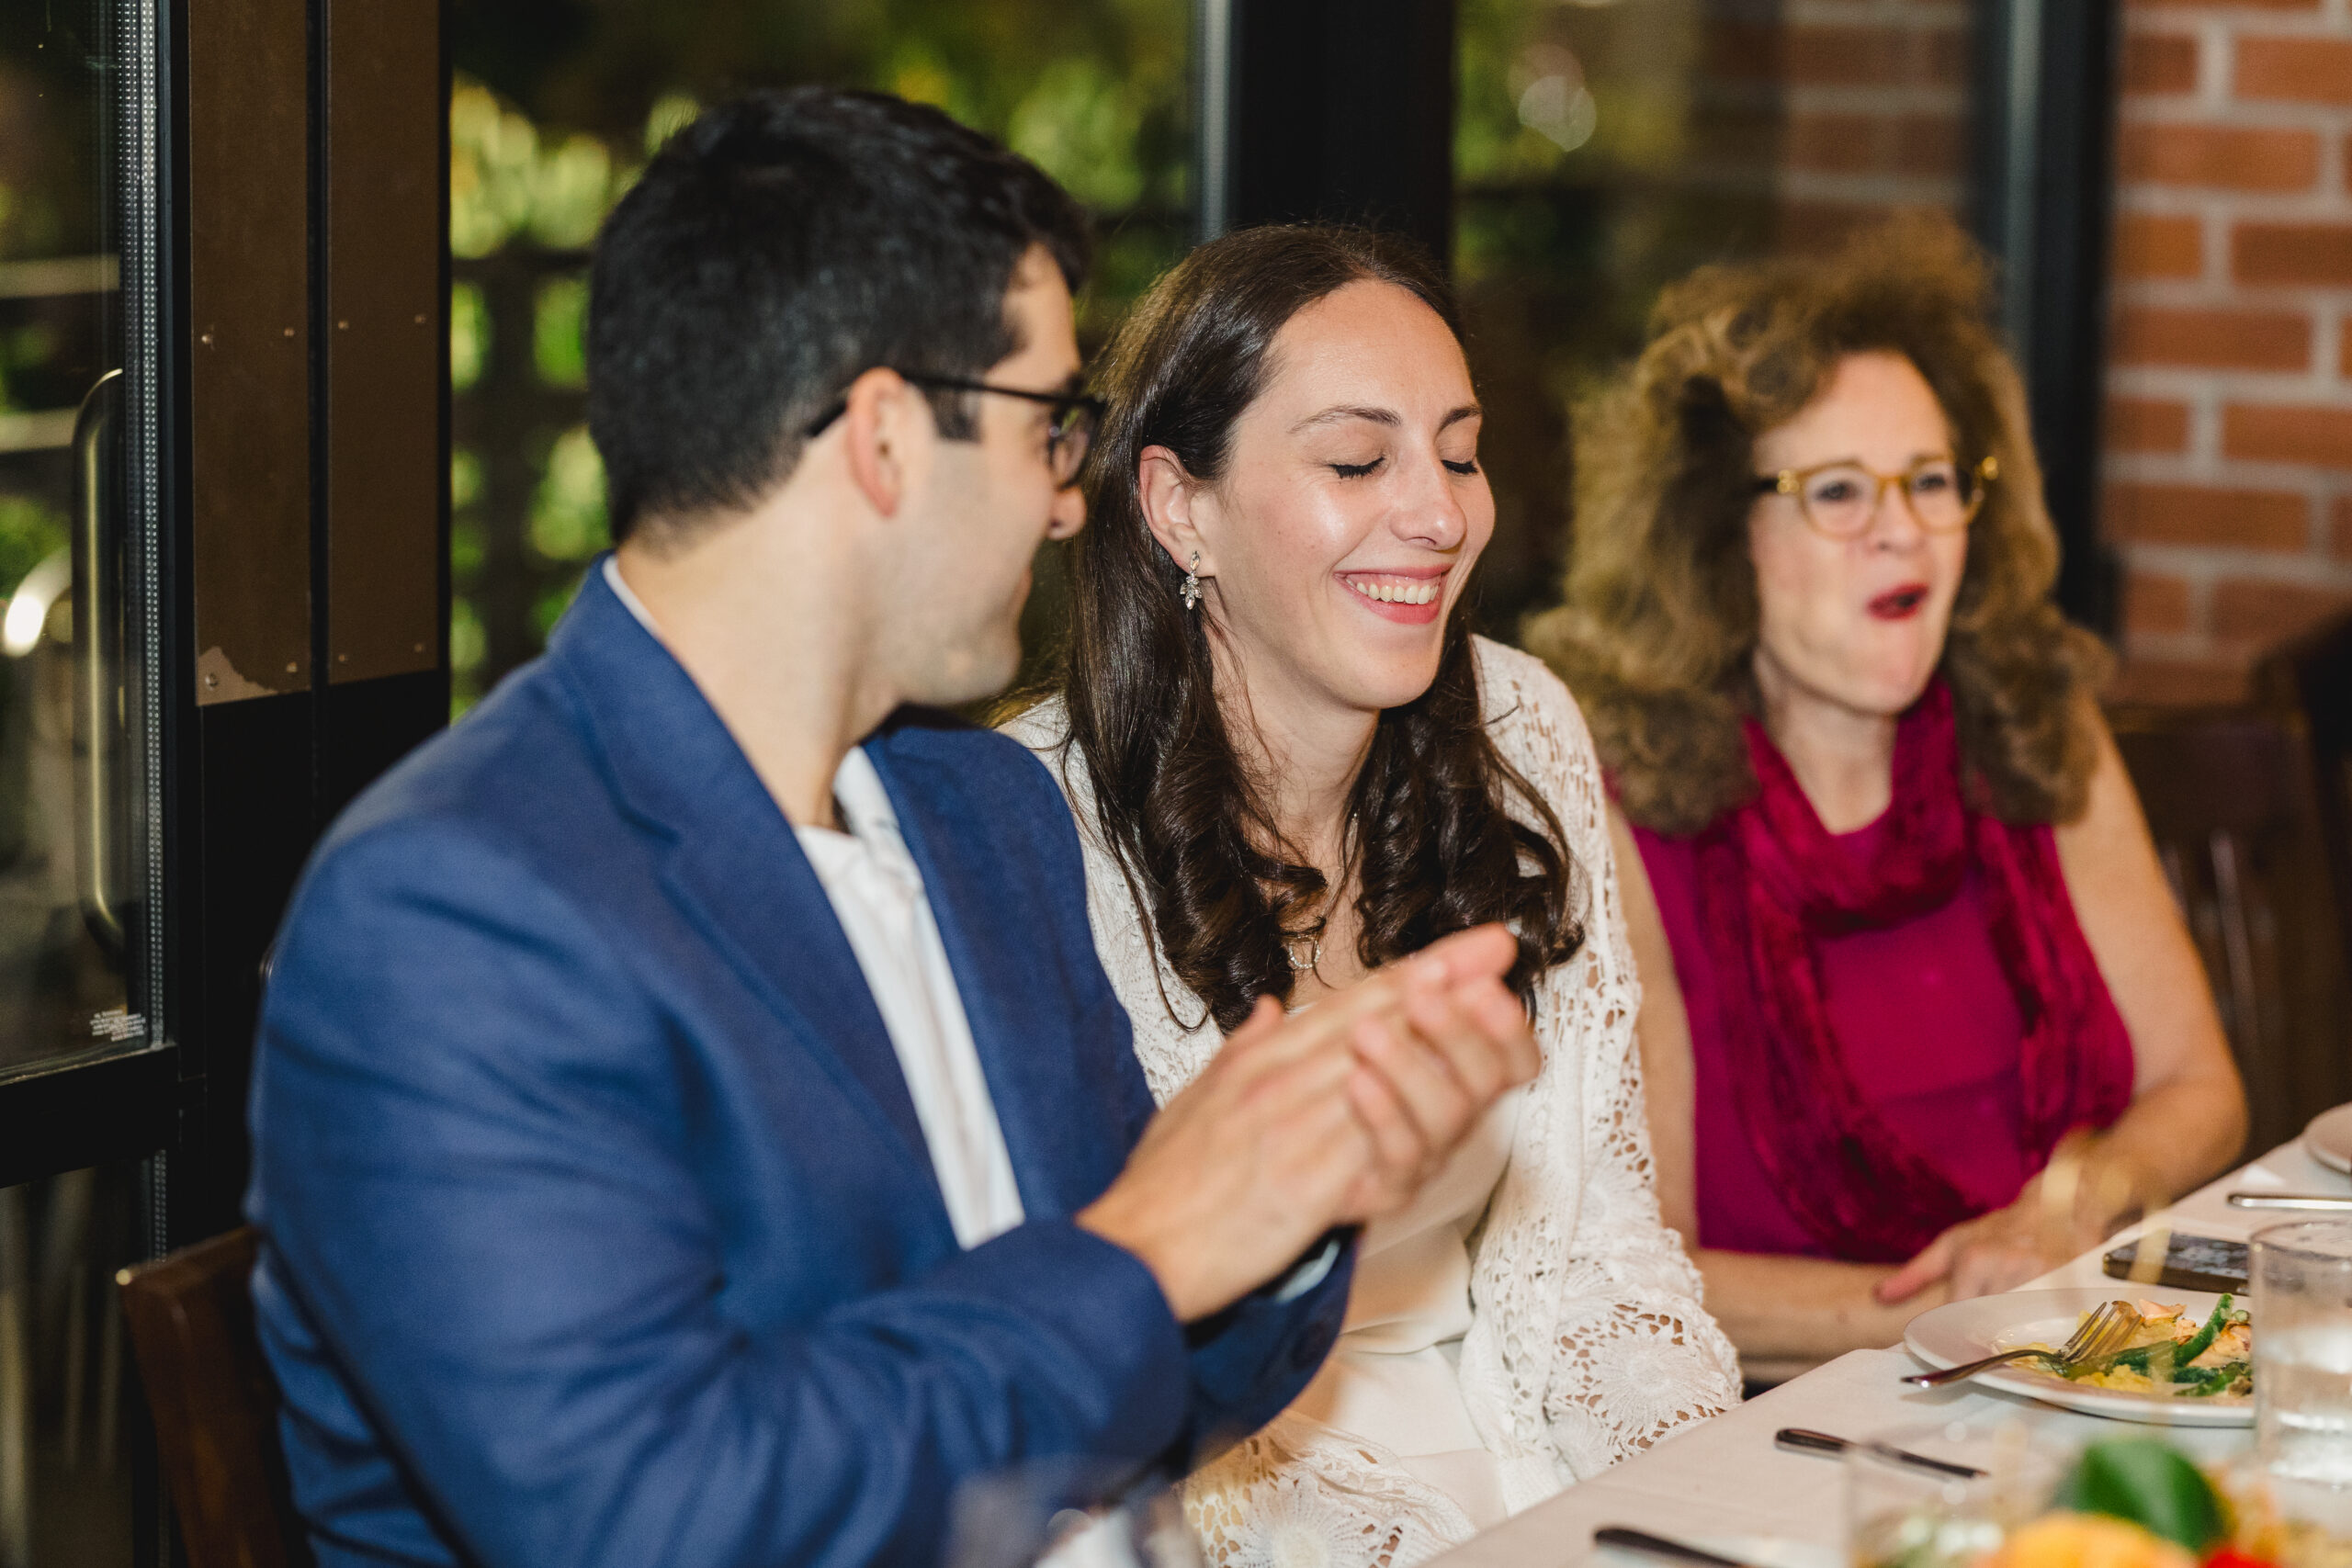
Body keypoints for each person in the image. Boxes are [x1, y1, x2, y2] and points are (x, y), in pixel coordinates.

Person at [243, 92, 1547, 1568]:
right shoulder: (453, 912)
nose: (1072, 507)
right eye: (1049, 426)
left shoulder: (984, 815)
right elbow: (653, 1519)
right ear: (881, 439)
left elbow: (1153, 1377)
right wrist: (1144, 1249)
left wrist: (1314, 1165)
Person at [1002, 223, 1739, 1567]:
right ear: (1178, 506)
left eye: (1459, 452)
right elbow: (1106, 1388)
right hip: (1248, 1501)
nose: (1442, 511)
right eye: (1358, 459)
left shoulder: (1523, 725)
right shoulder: (1024, 825)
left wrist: (1689, 1522)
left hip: (1541, 1448)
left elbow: (1596, 1263)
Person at [1526, 215, 2247, 1385]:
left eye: (1927, 480)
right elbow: (1633, 1268)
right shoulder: (1621, 810)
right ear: (1722, 537)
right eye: (1837, 491)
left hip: (2086, 1360)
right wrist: (1969, 1306)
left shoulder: (2032, 717)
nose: (1902, 528)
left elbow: (2199, 1087)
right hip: (1791, 1421)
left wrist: (2073, 1209)